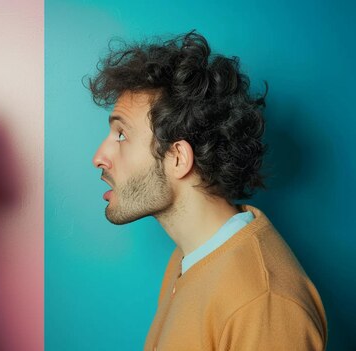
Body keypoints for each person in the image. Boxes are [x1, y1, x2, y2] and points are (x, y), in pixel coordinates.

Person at [89, 31, 327, 350]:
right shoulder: (187, 257)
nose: (98, 158)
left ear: (178, 158)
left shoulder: (263, 303)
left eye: (121, 135)